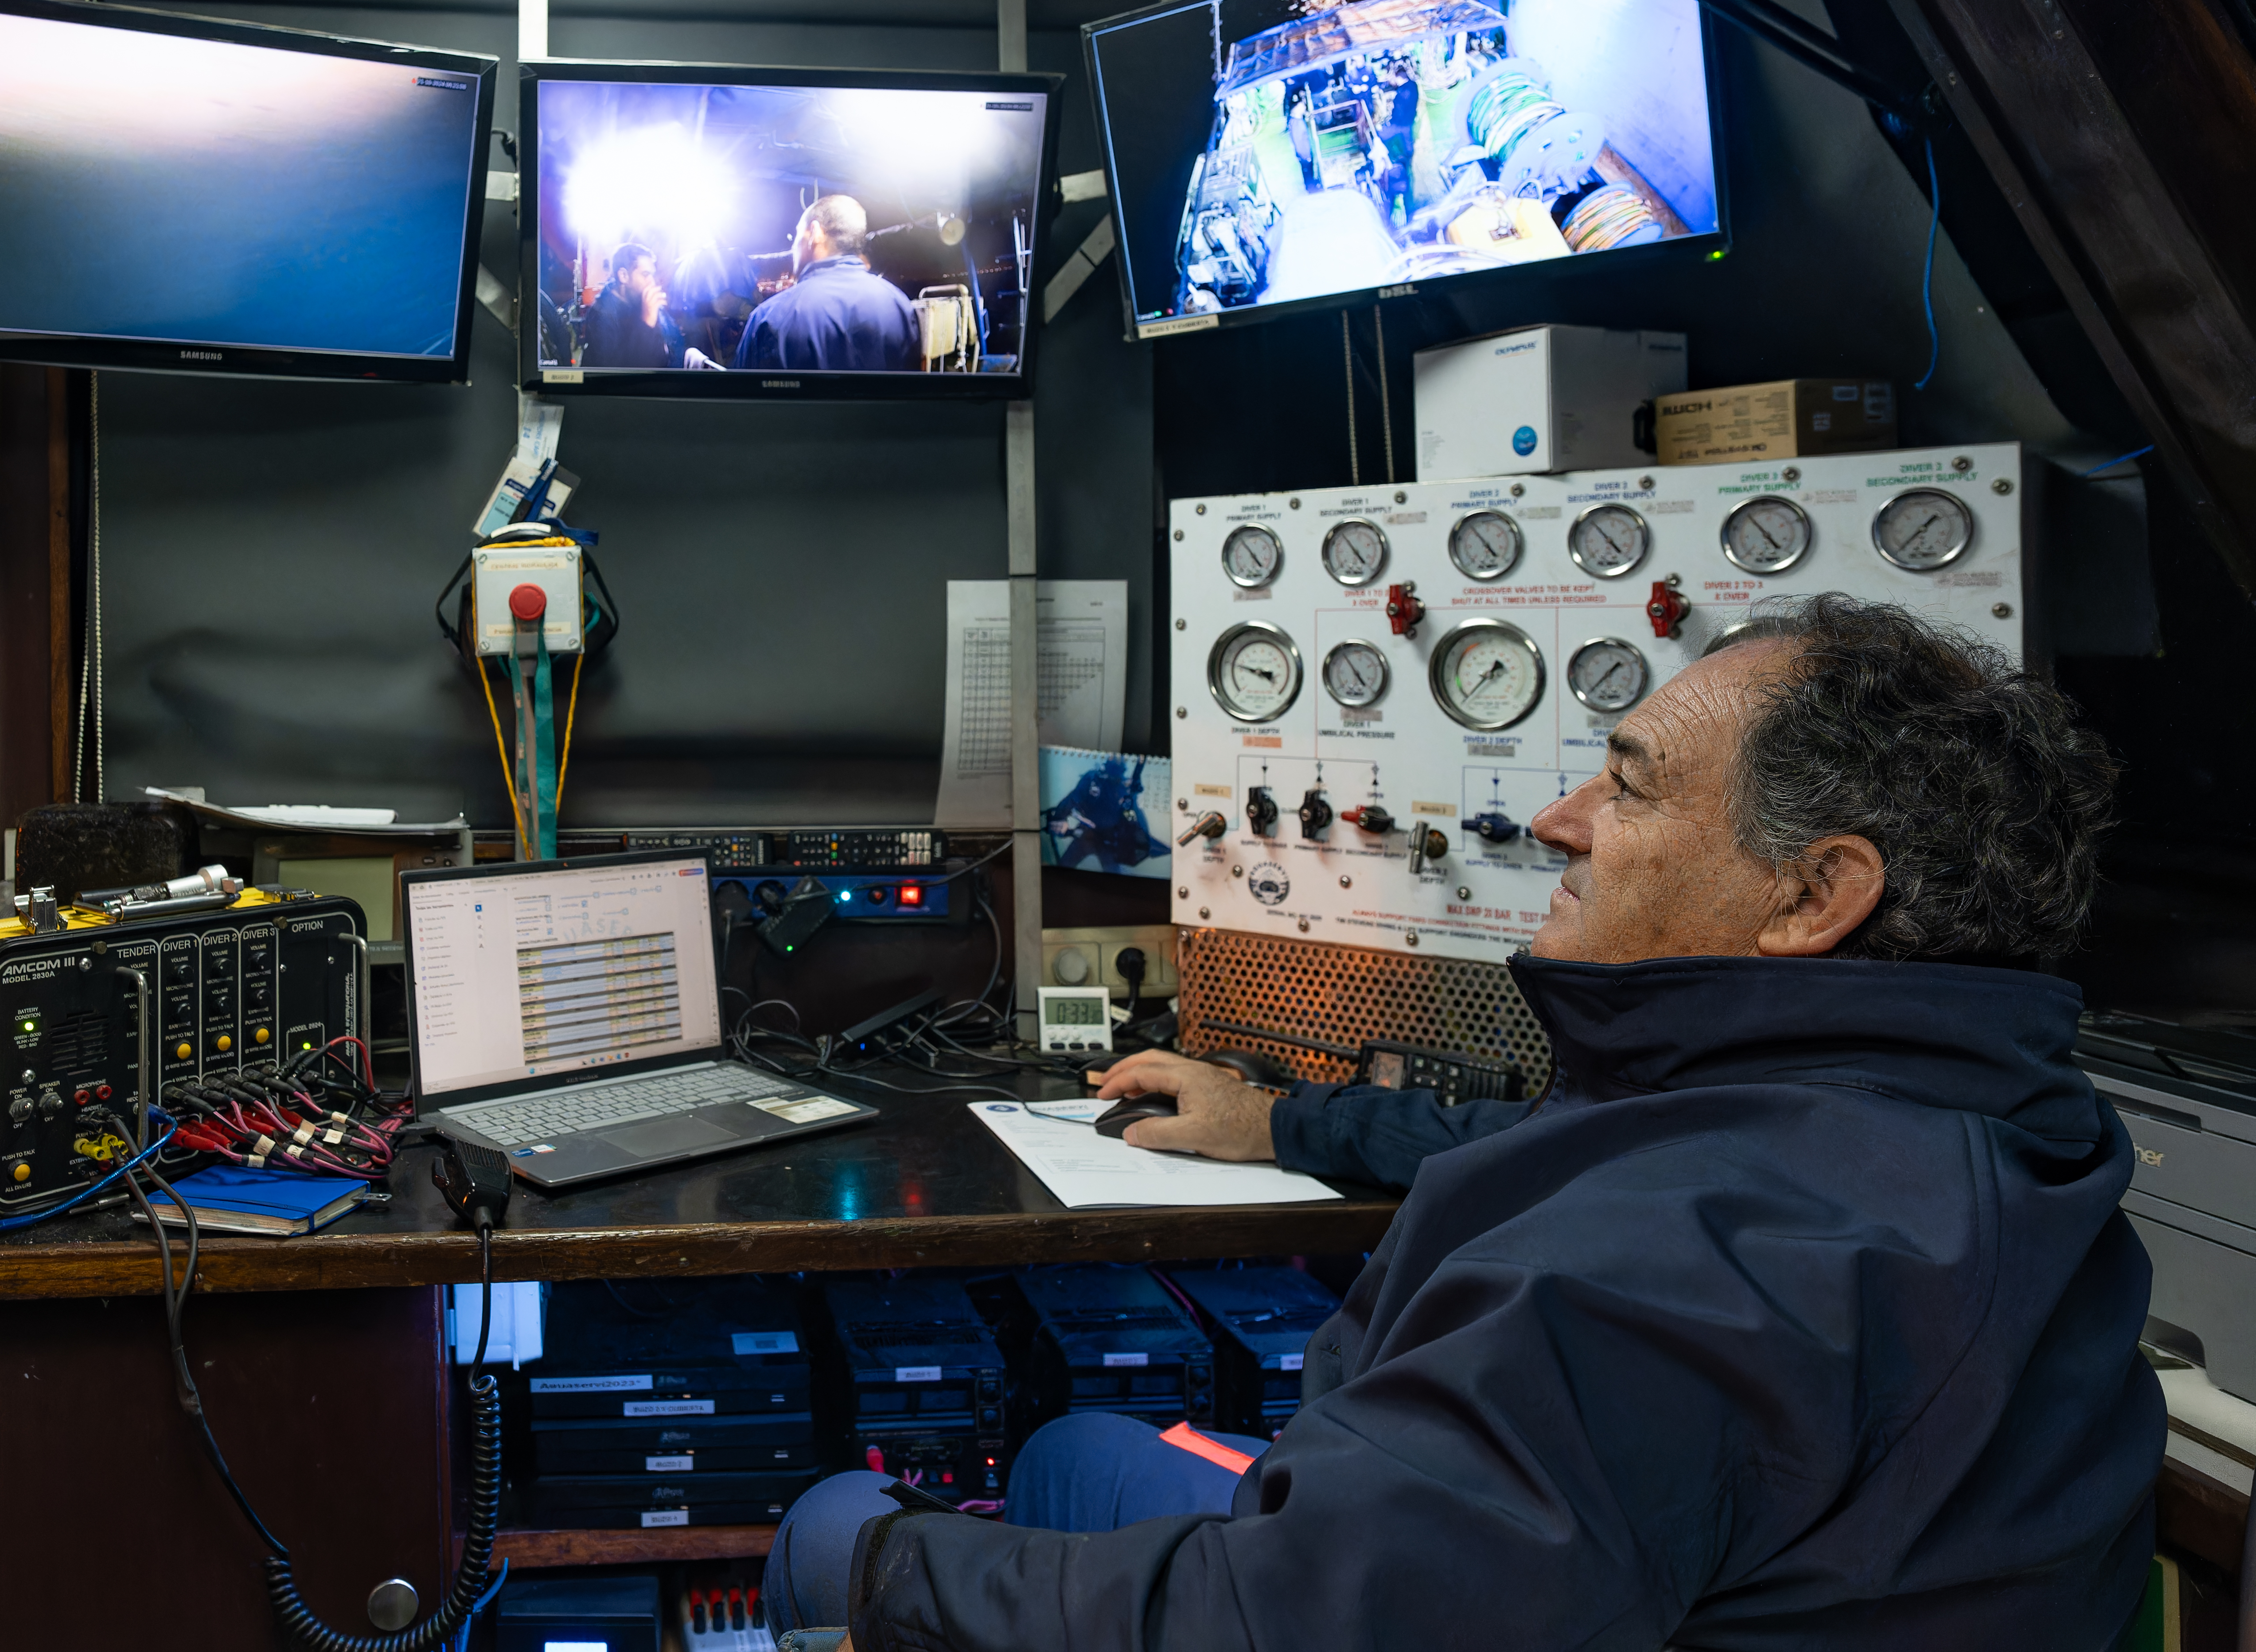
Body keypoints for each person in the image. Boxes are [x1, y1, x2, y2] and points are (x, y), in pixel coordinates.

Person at [765, 594, 2160, 1650]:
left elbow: (1281, 1622)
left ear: (1812, 895)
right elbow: (1556, 1161)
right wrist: (1284, 1123)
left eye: (1627, 785)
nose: (1556, 822)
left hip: (1355, 1597)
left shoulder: (1686, 1257)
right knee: (1072, 1454)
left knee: (838, 1525)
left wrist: (896, 1571)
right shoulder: (1968, 1120)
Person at [734, 194, 919, 371]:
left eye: (798, 235)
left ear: (815, 233)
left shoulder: (770, 317)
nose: (794, 248)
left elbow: (741, 396)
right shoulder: (900, 305)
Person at [580, 243, 679, 369]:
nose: (652, 282)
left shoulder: (640, 303)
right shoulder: (601, 314)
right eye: (645, 275)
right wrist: (647, 324)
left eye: (652, 275)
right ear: (624, 276)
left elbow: (673, 343)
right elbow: (615, 373)